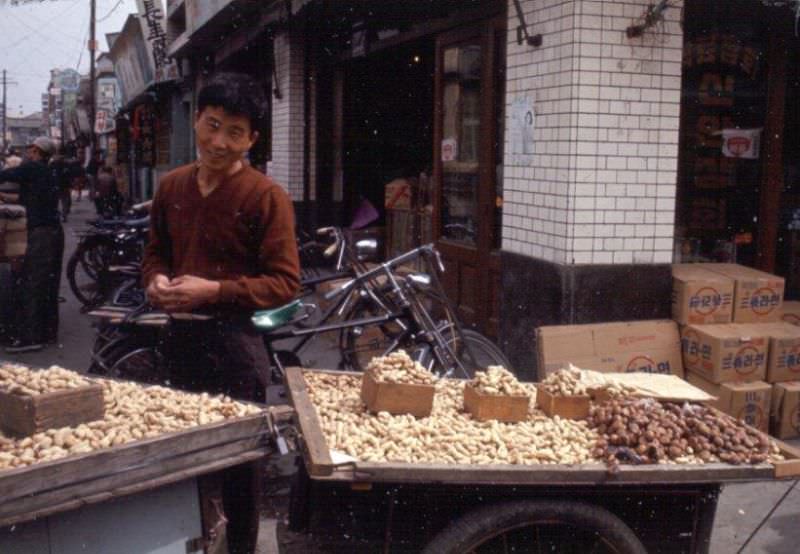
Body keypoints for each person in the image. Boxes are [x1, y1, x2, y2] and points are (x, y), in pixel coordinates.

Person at [142, 72, 300, 554]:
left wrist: (213, 290)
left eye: (235, 133)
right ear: (196, 121)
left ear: (251, 139)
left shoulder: (265, 196)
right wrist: (154, 283)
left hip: (236, 347)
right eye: (212, 125)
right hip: (180, 342)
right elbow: (154, 255)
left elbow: (285, 284)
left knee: (239, 470)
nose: (219, 142)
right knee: (183, 463)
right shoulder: (171, 188)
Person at [0, 136, 64, 352]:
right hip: (53, 231)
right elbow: (29, 198)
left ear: (37, 152)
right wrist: (7, 197)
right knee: (47, 284)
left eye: (31, 150)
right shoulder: (45, 171)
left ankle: (31, 338)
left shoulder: (33, 168)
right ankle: (47, 332)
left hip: (43, 234)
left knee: (32, 283)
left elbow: (5, 175)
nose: (28, 153)